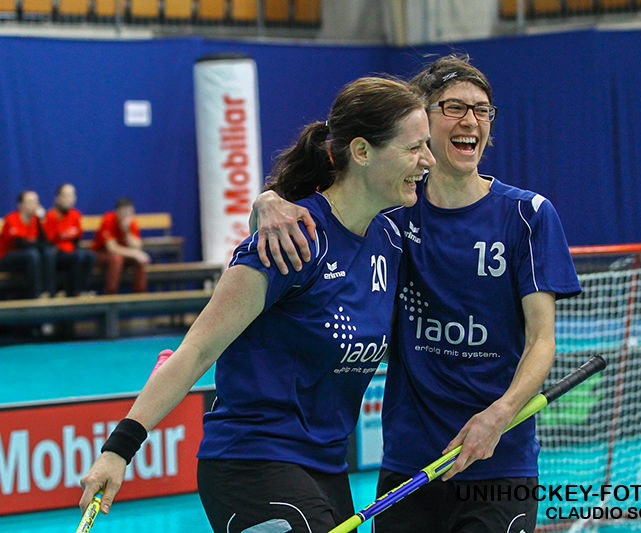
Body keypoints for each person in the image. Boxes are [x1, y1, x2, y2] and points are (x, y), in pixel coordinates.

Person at [78, 76, 435, 533]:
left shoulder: (390, 242)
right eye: (414, 148)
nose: (428, 160)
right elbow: (197, 350)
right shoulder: (291, 240)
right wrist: (118, 449)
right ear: (362, 152)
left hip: (326, 469)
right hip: (251, 462)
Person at [248, 54, 581, 533]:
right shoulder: (391, 211)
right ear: (422, 120)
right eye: (454, 107)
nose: (471, 121)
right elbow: (317, 207)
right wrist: (266, 202)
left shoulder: (528, 216)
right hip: (410, 462)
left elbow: (541, 341)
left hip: (498, 459)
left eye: (482, 110)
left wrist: (500, 415)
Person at [0, 190, 57, 298]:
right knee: (33, 254)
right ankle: (36, 294)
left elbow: (45, 242)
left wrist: (41, 221)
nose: (34, 205)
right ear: (20, 205)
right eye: (30, 202)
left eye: (36, 201)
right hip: (7, 257)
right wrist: (41, 246)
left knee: (47, 252)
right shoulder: (12, 218)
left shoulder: (36, 220)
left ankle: (50, 292)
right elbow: (20, 244)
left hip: (29, 257)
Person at [43, 183, 96, 296]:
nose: (69, 199)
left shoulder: (75, 215)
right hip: (57, 254)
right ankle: (74, 292)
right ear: (58, 198)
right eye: (66, 196)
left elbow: (77, 238)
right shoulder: (51, 215)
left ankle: (84, 290)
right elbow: (49, 241)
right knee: (77, 257)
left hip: (72, 250)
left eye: (72, 195)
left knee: (89, 255)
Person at [90, 197, 150, 294]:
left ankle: (140, 294)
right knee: (117, 258)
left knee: (139, 261)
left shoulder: (132, 223)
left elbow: (137, 246)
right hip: (101, 254)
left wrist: (127, 232)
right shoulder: (108, 219)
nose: (127, 216)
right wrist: (135, 254)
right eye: (125, 213)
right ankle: (111, 294)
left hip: (123, 255)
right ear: (117, 212)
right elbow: (112, 248)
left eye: (130, 213)